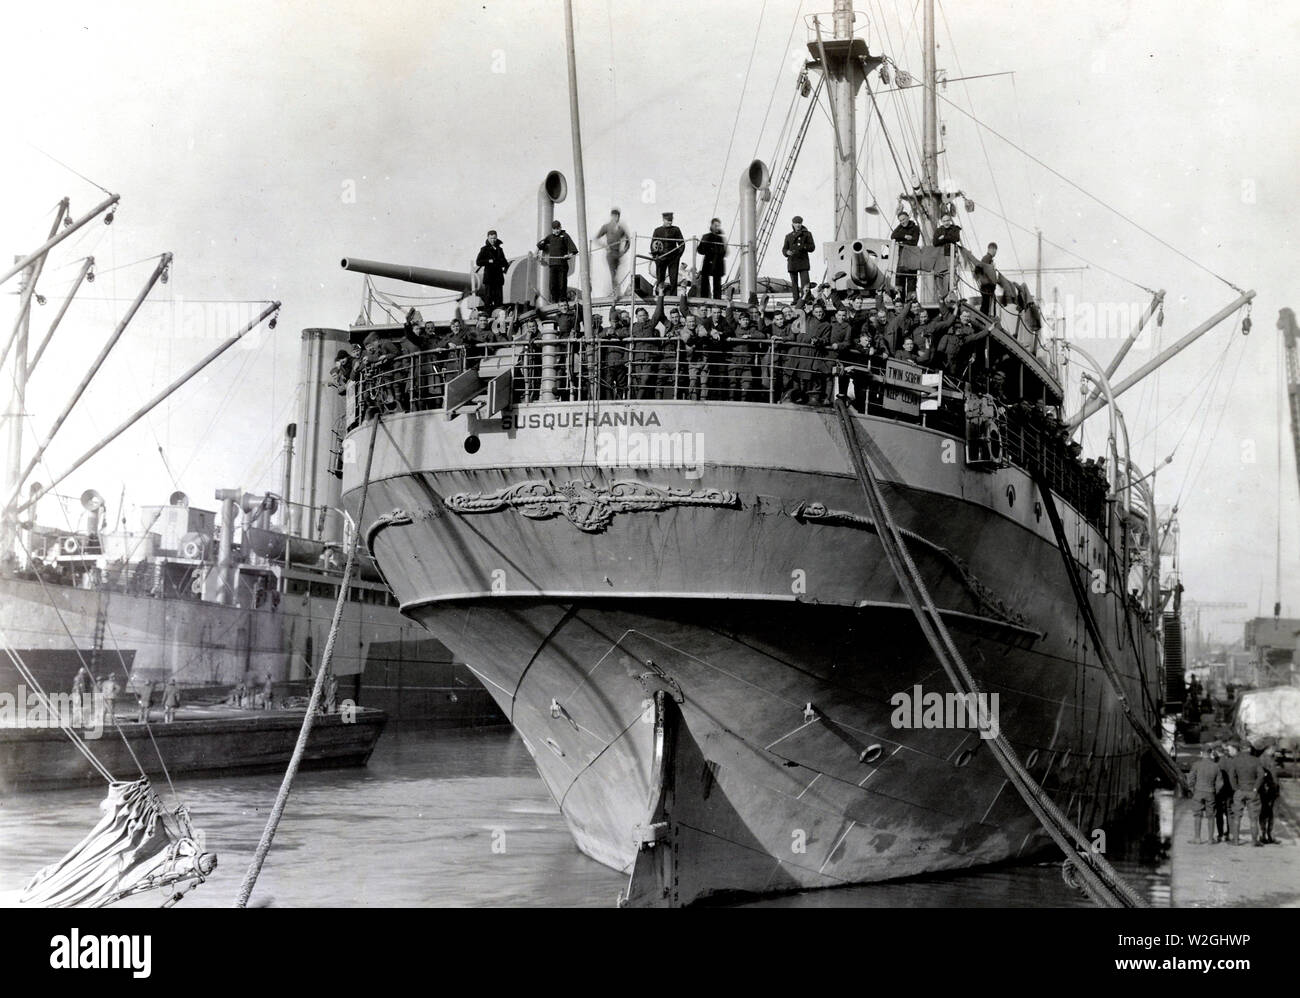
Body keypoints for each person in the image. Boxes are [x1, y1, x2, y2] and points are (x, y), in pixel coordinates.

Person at [1227, 744, 1264, 845]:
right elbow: (1261, 775)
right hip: (1252, 791)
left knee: (1237, 816)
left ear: (1241, 749)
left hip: (1240, 790)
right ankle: (1254, 841)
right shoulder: (1256, 760)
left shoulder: (1235, 760)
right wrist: (1256, 788)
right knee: (1253, 818)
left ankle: (1235, 841)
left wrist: (1235, 788)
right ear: (1249, 749)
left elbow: (1231, 776)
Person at [536, 219, 578, 303]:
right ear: (552, 229)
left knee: (562, 285)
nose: (557, 230)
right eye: (555, 229)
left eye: (558, 228)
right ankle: (554, 301)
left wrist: (568, 256)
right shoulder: (550, 237)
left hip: (562, 265)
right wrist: (536, 253)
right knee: (552, 285)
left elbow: (574, 251)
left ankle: (562, 301)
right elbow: (540, 245)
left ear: (560, 227)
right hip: (552, 265)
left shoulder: (565, 236)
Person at [1187, 745, 1222, 844]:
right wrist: (1215, 791)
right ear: (1210, 753)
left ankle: (1197, 838)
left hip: (1198, 792)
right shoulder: (1216, 766)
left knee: (1198, 815)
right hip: (1210, 792)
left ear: (1201, 753)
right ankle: (1210, 839)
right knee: (1211, 816)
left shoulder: (1196, 765)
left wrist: (1193, 790)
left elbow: (1190, 779)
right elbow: (1220, 782)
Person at [593, 208, 629, 294]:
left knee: (617, 274)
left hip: (618, 254)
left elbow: (628, 240)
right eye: (614, 216)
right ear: (611, 216)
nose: (615, 218)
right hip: (610, 254)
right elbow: (596, 238)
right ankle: (615, 293)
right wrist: (604, 246)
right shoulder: (606, 227)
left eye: (617, 216)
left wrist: (624, 251)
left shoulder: (621, 228)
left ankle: (616, 292)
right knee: (613, 273)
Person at [891, 208, 922, 299]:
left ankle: (910, 301)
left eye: (904, 219)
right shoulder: (900, 227)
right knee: (900, 279)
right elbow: (893, 236)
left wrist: (902, 242)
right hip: (901, 258)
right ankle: (900, 300)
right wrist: (904, 236)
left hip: (912, 257)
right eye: (900, 220)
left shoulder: (915, 228)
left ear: (908, 217)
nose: (902, 222)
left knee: (911, 280)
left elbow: (914, 241)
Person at [651, 212, 685, 293]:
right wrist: (655, 257)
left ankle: (674, 297)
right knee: (660, 277)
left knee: (673, 278)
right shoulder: (657, 231)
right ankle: (660, 294)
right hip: (661, 257)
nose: (669, 222)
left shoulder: (676, 230)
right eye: (667, 220)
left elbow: (682, 244)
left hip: (673, 258)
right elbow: (653, 245)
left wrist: (678, 256)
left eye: (671, 220)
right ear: (663, 220)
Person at [782, 216, 816, 296]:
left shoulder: (807, 234)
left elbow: (812, 247)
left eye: (799, 223)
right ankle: (796, 300)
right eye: (796, 223)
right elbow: (784, 249)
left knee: (805, 283)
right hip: (792, 262)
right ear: (793, 224)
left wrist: (803, 247)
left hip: (803, 262)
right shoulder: (788, 236)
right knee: (794, 283)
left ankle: (806, 299)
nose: (798, 225)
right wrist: (787, 252)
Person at [475, 230, 509, 310]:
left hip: (498, 278)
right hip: (489, 278)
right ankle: (488, 314)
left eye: (494, 238)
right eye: (491, 238)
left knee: (499, 298)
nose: (493, 240)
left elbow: (505, 262)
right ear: (488, 238)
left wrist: (503, 265)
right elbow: (478, 262)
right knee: (488, 298)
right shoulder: (484, 249)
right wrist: (488, 261)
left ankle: (498, 312)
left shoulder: (500, 249)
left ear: (496, 238)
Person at [696, 218, 728, 299]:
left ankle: (717, 300)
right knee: (705, 282)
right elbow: (700, 250)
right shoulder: (706, 236)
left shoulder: (721, 238)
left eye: (718, 226)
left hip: (718, 263)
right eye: (715, 225)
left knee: (717, 284)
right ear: (712, 225)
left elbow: (723, 252)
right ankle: (704, 299)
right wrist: (707, 247)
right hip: (708, 261)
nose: (717, 227)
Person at [1258, 749, 1280, 844]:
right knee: (1264, 812)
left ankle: (1269, 835)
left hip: (1273, 789)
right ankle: (1263, 835)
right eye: (1273, 747)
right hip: (1266, 790)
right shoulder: (1262, 759)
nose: (1275, 750)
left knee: (1272, 813)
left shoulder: (1271, 758)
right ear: (1268, 748)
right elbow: (1261, 775)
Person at [977, 242, 999, 317]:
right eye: (995, 250)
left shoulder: (988, 259)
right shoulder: (987, 258)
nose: (996, 253)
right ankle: (984, 318)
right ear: (992, 249)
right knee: (985, 306)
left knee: (987, 305)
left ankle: (986, 317)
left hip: (988, 287)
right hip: (986, 287)